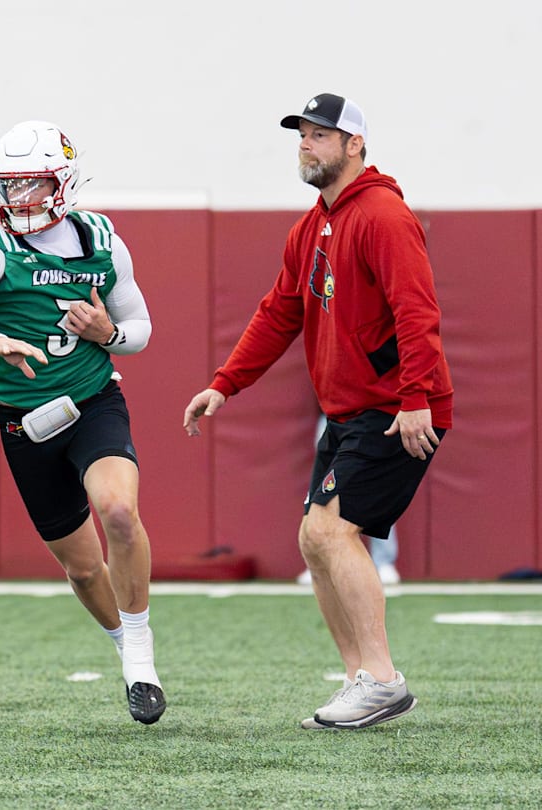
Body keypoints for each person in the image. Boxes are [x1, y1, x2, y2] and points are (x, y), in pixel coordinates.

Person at [182, 93, 452, 731]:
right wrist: (226, 383)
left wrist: (415, 398)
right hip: (350, 411)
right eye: (302, 134)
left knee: (333, 533)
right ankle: (362, 678)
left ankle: (382, 679)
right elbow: (281, 311)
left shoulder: (383, 215)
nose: (306, 144)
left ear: (355, 145)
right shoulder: (313, 225)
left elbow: (418, 312)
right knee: (314, 538)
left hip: (394, 408)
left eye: (321, 135)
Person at [0, 120, 165, 725]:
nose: (15, 200)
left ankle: (140, 653)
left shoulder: (105, 241)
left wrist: (107, 334)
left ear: (62, 183)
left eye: (29, 185)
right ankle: (118, 641)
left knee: (118, 510)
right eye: (8, 186)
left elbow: (139, 331)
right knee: (82, 565)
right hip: (24, 422)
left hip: (92, 402)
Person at [297, 417, 400, 586]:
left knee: (375, 488)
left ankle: (383, 561)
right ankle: (319, 561)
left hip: (370, 415)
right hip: (333, 415)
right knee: (323, 488)